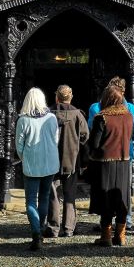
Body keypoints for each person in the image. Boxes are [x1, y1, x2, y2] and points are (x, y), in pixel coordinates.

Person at [88, 85, 134, 247]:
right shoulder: (128, 116)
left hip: (105, 164)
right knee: (121, 198)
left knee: (105, 199)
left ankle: (106, 236)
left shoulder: (102, 118)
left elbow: (94, 143)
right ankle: (121, 235)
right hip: (124, 162)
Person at [15, 87, 59, 251]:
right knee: (45, 196)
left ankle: (36, 233)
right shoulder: (51, 118)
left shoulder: (23, 120)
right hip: (49, 163)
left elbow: (19, 145)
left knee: (31, 200)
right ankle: (40, 227)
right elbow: (56, 139)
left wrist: (25, 158)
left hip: (32, 164)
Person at [45, 85, 88, 238]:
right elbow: (85, 136)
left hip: (51, 159)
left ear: (57, 97)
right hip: (72, 159)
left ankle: (53, 228)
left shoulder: (48, 114)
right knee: (70, 195)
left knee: (53, 194)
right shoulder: (78, 115)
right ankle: (69, 228)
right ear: (71, 97)